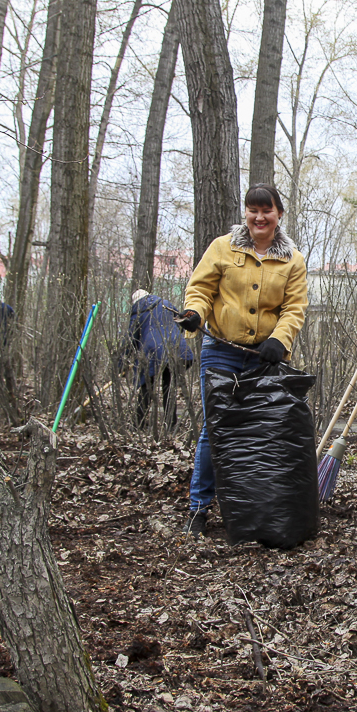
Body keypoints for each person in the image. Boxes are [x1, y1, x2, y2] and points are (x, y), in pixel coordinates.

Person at [177, 184, 309, 536]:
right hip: (220, 350)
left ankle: (255, 508)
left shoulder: (292, 260)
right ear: (245, 213)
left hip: (262, 358)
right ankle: (199, 509)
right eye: (253, 209)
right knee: (215, 428)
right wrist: (194, 314)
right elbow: (201, 289)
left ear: (279, 214)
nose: (259, 217)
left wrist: (279, 341)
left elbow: (294, 309)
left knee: (260, 432)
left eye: (267, 210)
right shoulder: (223, 247)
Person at [129, 288, 194, 428]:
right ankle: (170, 424)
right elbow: (181, 323)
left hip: (152, 352)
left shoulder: (138, 310)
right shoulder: (166, 304)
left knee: (146, 386)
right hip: (176, 348)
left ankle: (138, 423)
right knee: (169, 387)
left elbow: (132, 338)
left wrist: (122, 362)